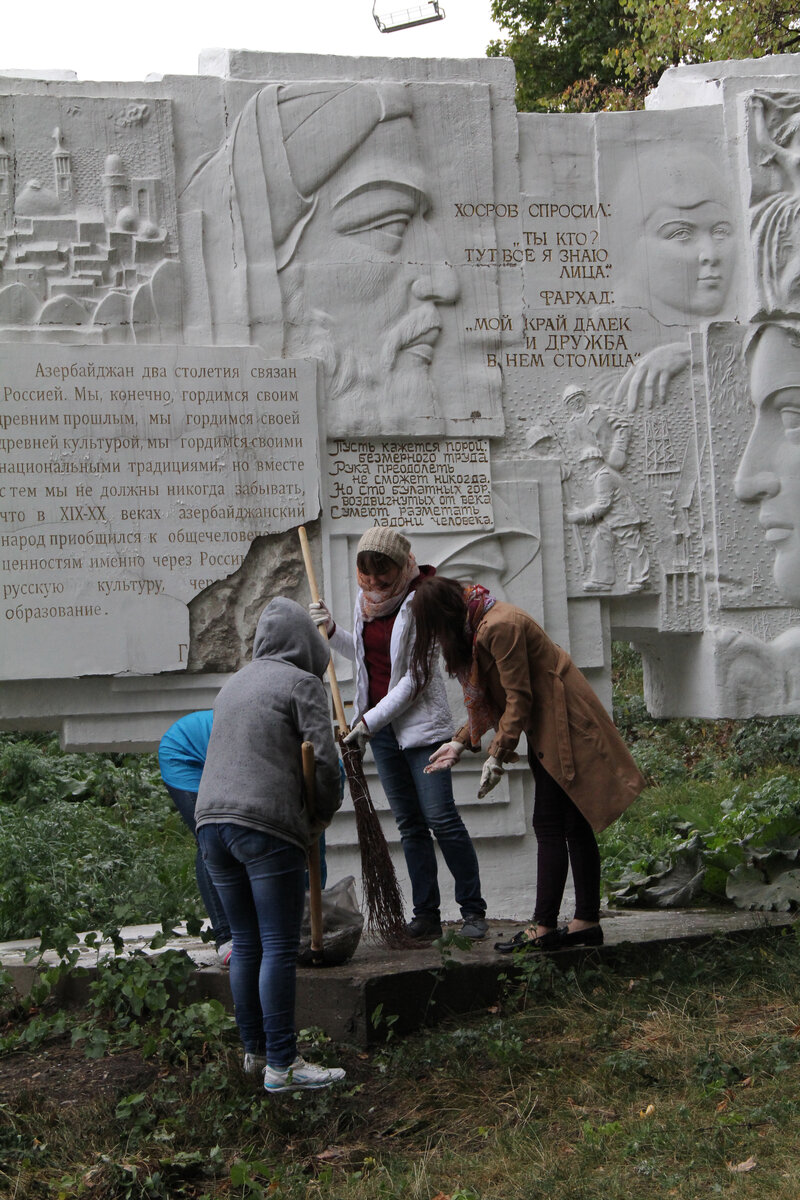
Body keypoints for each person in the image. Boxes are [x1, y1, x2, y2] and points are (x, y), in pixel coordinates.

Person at [409, 576, 645, 952]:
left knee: (551, 823)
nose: (437, 639)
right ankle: (585, 921)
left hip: (562, 725)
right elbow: (493, 698)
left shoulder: (498, 627)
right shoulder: (483, 621)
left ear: (447, 616)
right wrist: (458, 742)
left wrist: (497, 754)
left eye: (435, 629)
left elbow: (518, 698)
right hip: (550, 724)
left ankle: (545, 926)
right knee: (572, 822)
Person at [194, 598, 346, 1093]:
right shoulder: (303, 684)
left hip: (210, 825)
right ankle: (283, 1066)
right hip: (264, 826)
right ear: (305, 643)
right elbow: (323, 762)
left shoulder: (232, 685)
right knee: (279, 945)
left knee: (246, 943)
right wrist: (320, 816)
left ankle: (253, 1053)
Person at [310, 526, 488, 941]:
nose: (373, 581)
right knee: (410, 825)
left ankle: (473, 912)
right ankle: (426, 915)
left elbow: (414, 678)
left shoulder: (421, 601)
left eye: (382, 572)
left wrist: (368, 722)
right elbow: (369, 656)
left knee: (442, 820)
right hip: (382, 733)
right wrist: (334, 632)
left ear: (402, 565)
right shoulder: (366, 601)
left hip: (421, 732)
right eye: (365, 572)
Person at [158, 710, 233, 966]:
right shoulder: (274, 755)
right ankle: (226, 937)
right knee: (211, 837)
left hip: (221, 758)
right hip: (184, 752)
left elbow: (316, 850)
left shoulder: (319, 764)